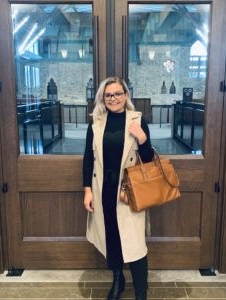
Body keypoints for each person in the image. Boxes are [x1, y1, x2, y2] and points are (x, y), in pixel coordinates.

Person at [83, 77, 154, 300]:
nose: (113, 98)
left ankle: (141, 291)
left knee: (135, 243)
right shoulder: (95, 123)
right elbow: (88, 159)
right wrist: (87, 190)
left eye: (118, 94)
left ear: (126, 96)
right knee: (111, 237)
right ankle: (118, 280)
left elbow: (148, 161)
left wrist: (142, 139)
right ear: (103, 98)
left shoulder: (137, 120)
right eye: (108, 95)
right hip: (103, 189)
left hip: (129, 191)